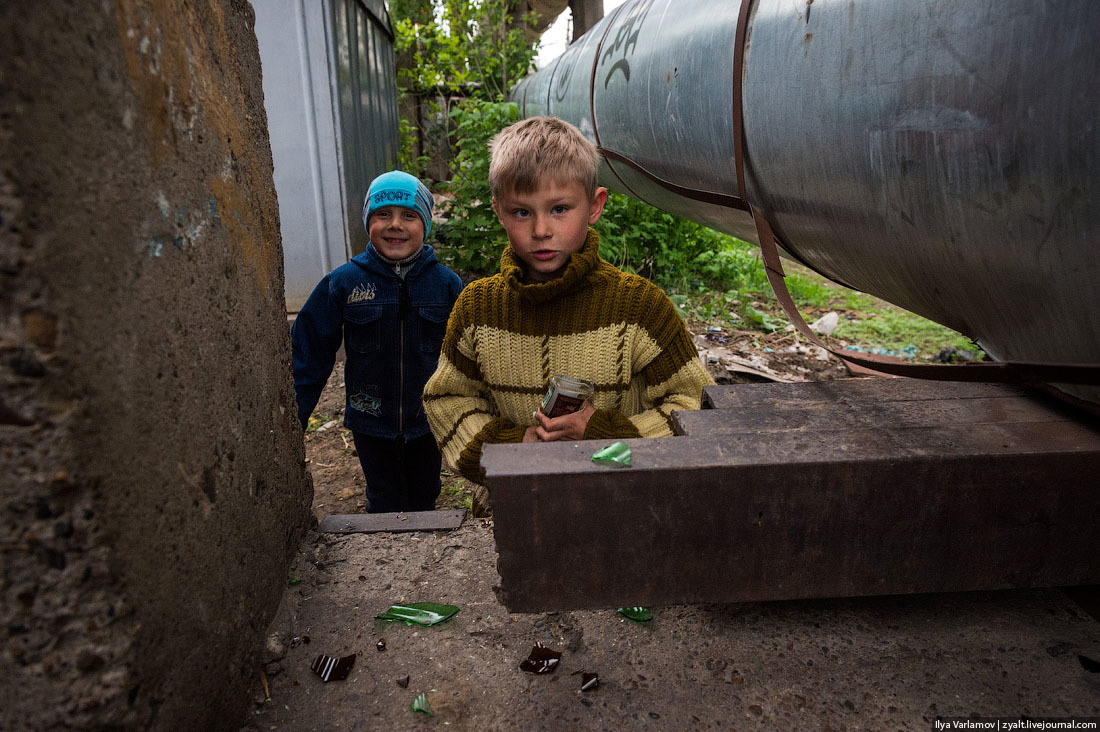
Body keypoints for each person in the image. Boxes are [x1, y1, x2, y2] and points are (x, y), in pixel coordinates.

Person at [422, 116, 714, 483]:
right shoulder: (478, 309)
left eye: (559, 209)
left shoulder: (640, 308)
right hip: (516, 509)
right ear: (498, 212)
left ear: (595, 205)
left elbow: (697, 408)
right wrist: (515, 449)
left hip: (624, 503)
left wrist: (605, 440)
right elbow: (448, 401)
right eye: (522, 212)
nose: (541, 230)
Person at [292, 170, 463, 512]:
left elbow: (468, 353)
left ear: (425, 224)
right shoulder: (344, 283)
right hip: (370, 418)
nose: (395, 225)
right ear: (368, 221)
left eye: (409, 216)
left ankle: (417, 558)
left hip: (427, 419)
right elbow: (309, 351)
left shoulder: (446, 285)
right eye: (383, 214)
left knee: (425, 495)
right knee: (383, 497)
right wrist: (295, 417)